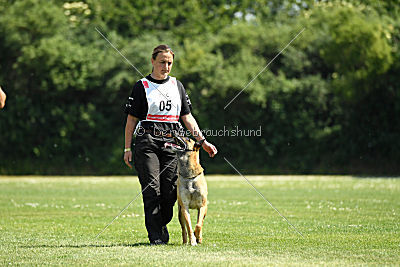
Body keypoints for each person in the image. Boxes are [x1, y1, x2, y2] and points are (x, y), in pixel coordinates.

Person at [123, 44, 217, 245]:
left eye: (169, 63)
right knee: (152, 189)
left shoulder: (177, 86)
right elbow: (131, 120)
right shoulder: (141, 86)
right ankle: (156, 237)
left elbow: (187, 117)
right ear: (152, 61)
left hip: (173, 143)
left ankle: (161, 224)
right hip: (147, 141)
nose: (166, 67)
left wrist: (202, 141)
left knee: (168, 192)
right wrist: (127, 148)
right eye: (162, 62)